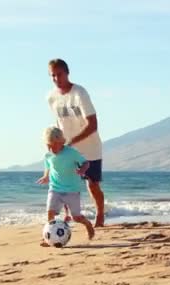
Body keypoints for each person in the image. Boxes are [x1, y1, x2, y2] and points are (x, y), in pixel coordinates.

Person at [46, 58, 105, 227]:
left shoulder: (80, 93)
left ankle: (100, 215)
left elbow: (93, 124)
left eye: (60, 74)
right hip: (66, 148)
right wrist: (55, 142)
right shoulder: (51, 97)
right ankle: (68, 215)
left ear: (67, 73)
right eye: (53, 76)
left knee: (92, 185)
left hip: (90, 147)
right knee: (64, 183)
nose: (57, 79)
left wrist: (73, 141)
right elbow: (58, 122)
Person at [36, 126, 95, 247]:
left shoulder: (71, 152)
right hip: (55, 188)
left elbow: (85, 162)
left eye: (53, 145)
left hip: (72, 190)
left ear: (61, 142)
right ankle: (49, 237)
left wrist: (82, 170)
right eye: (48, 145)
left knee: (76, 217)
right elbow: (48, 166)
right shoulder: (48, 155)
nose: (50, 148)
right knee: (50, 212)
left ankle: (88, 224)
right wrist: (46, 176)